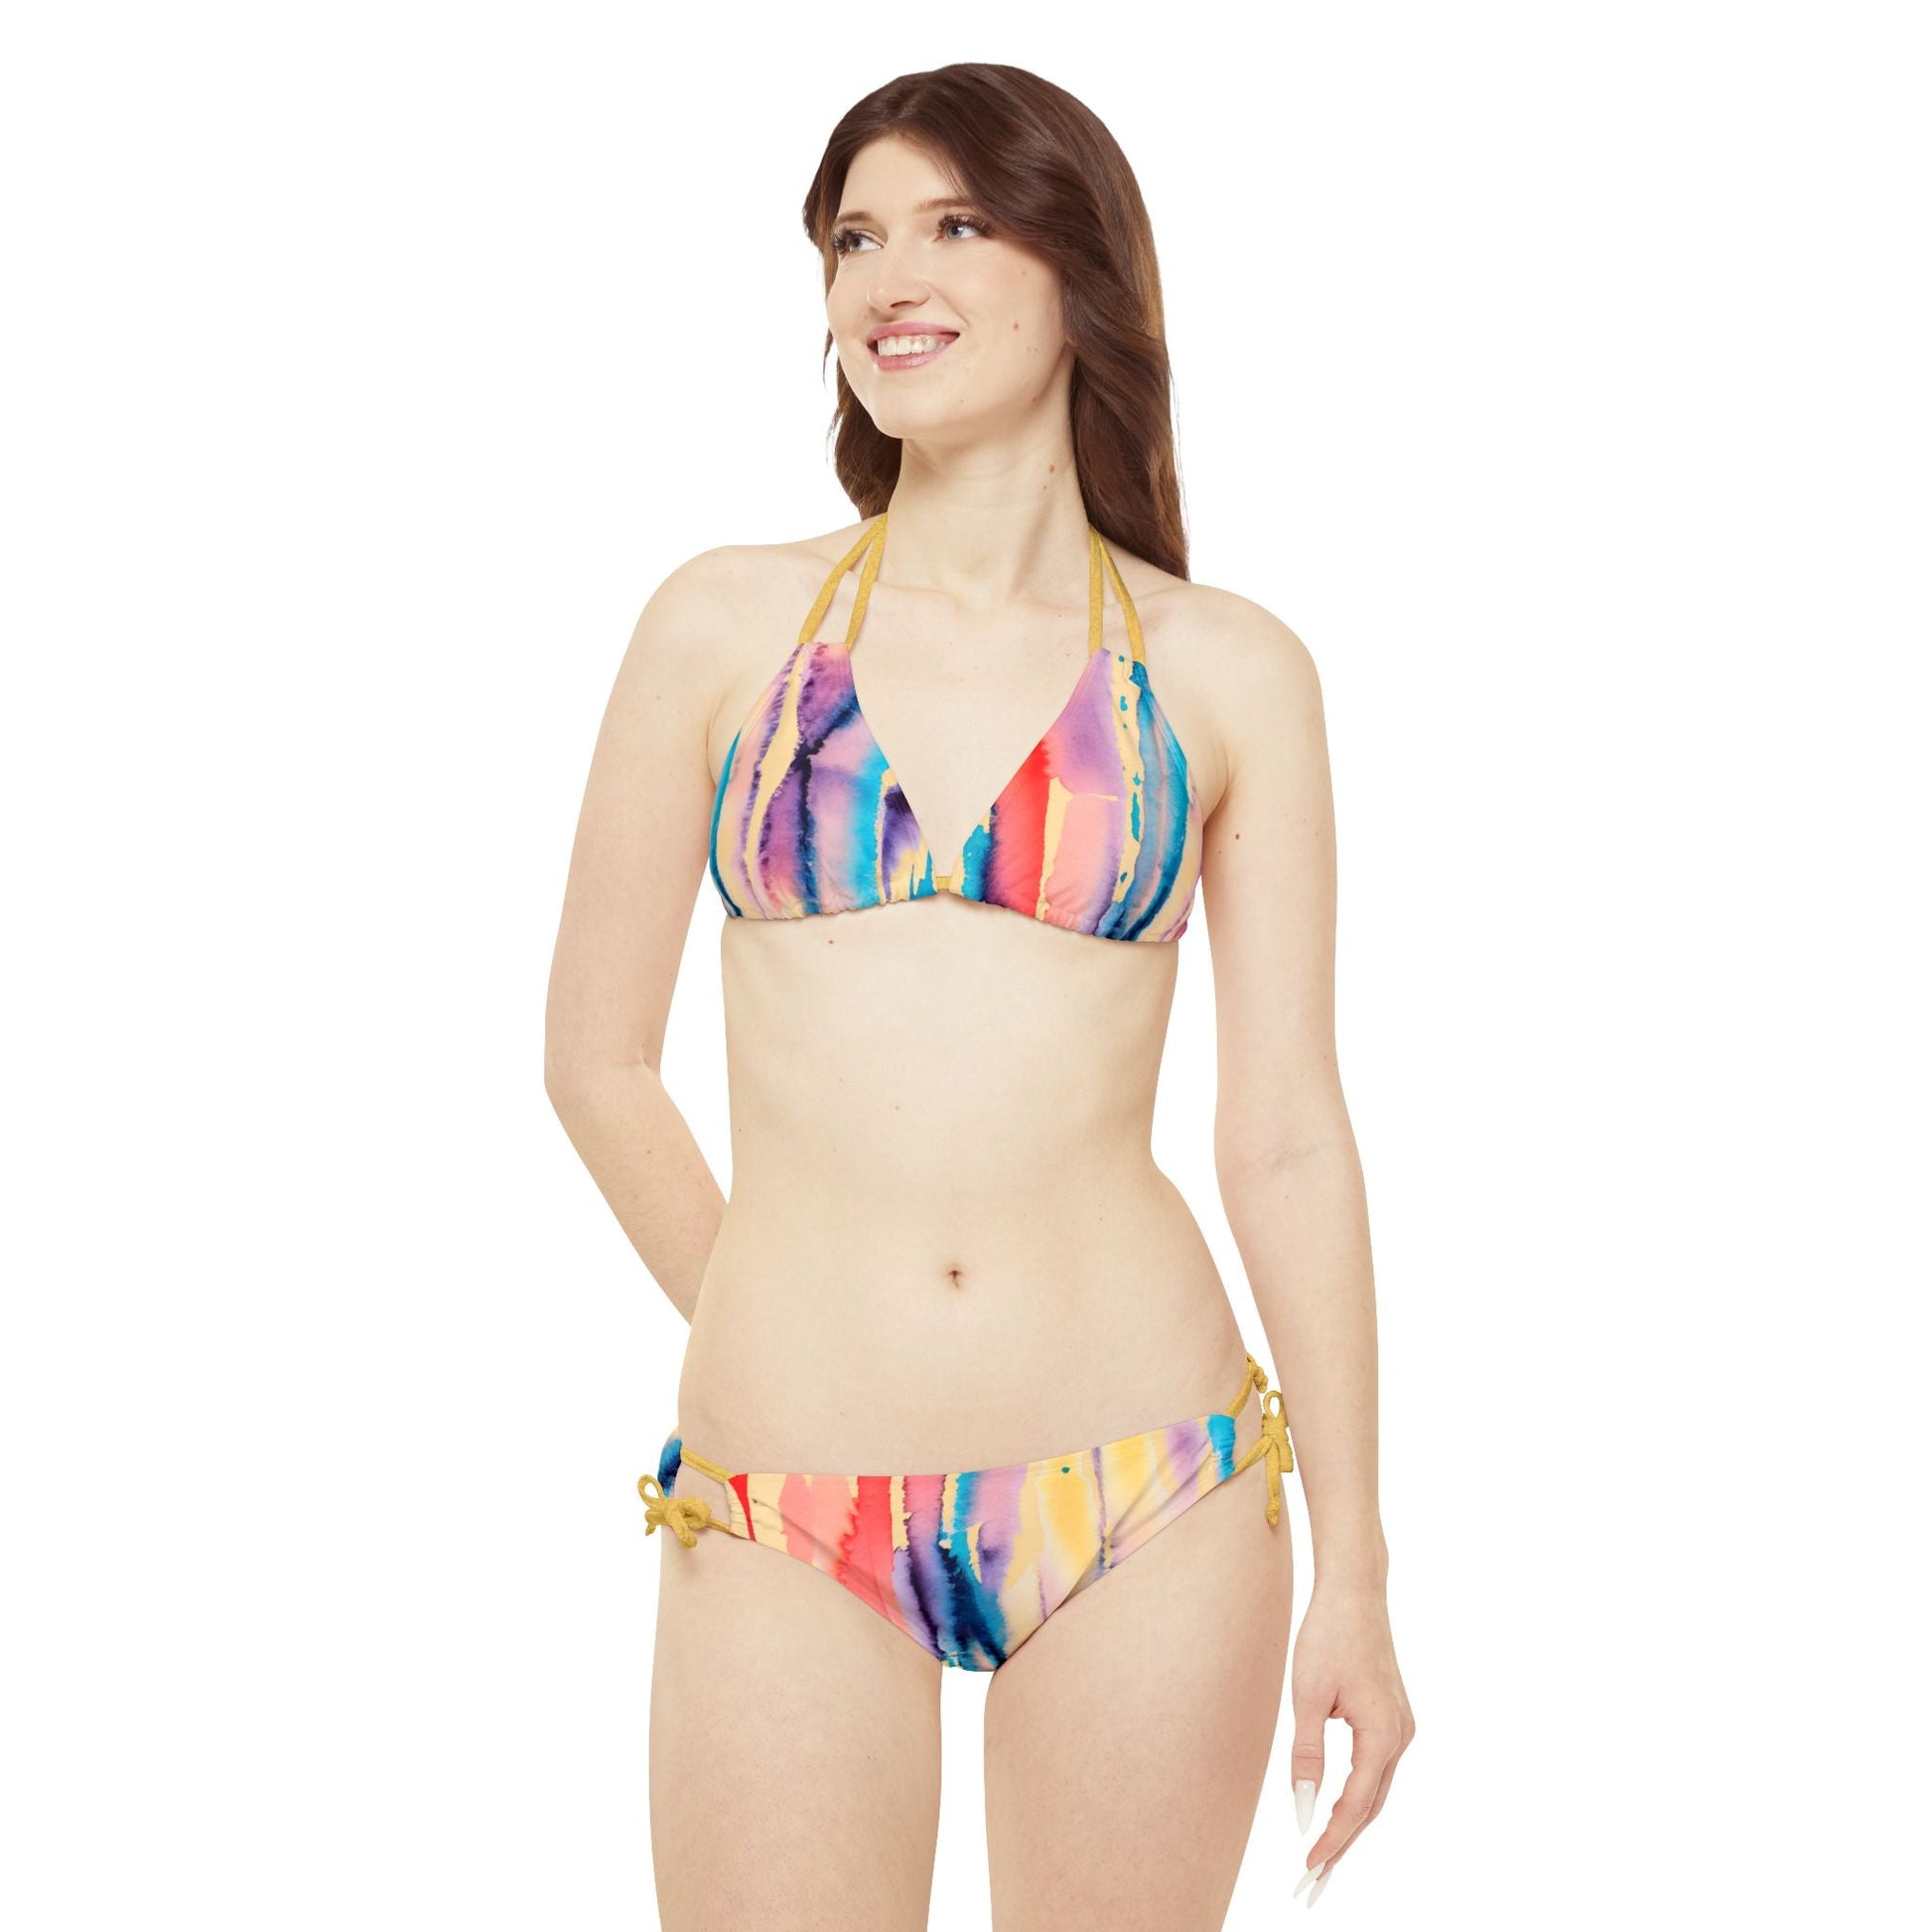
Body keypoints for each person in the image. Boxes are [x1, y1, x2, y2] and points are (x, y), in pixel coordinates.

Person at [544, 61, 1414, 1931]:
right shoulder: (724, 625)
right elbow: (594, 1058)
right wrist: (780, 1306)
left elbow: (1282, 1132)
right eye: (853, 238)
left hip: (1150, 1489)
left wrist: (1353, 1562)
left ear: (1080, 269)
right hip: (785, 1490)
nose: (887, 278)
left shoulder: (1225, 670)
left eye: (952, 222)